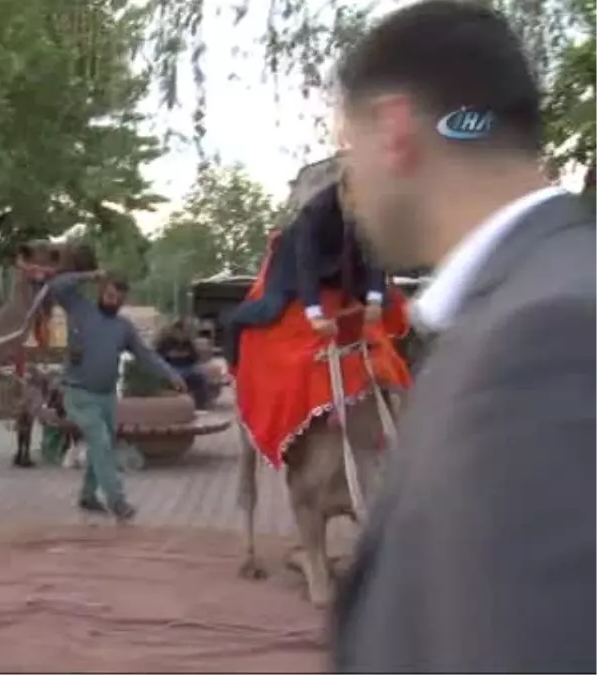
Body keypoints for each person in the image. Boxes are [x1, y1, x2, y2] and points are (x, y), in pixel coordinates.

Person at [330, 1, 597, 670]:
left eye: (347, 151)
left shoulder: (539, 342)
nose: (351, 188)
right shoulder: (542, 291)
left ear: (394, 130)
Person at [48, 270, 186, 521]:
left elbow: (145, 356)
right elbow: (56, 286)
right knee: (100, 441)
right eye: (110, 295)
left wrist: (171, 375)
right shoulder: (80, 308)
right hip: (77, 392)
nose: (113, 301)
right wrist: (87, 275)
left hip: (106, 396)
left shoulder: (123, 327)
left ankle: (88, 496)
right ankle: (117, 501)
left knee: (102, 446)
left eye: (118, 298)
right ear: (101, 291)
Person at [222, 176, 388, 368]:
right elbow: (305, 264)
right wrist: (315, 314)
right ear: (345, 192)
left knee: (388, 301)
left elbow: (375, 253)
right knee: (272, 307)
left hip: (343, 262)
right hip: (295, 262)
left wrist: (375, 300)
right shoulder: (314, 212)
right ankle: (234, 320)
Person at [153, 319, 212, 408]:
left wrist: (187, 355)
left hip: (186, 367)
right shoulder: (165, 340)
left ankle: (201, 404)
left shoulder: (187, 341)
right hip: (170, 367)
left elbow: (194, 358)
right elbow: (158, 356)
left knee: (201, 376)